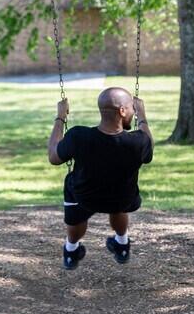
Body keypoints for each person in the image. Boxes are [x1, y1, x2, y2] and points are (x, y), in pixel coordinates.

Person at [48, 87, 154, 269]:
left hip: (84, 198)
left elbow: (53, 156)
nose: (133, 111)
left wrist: (60, 117)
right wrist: (142, 114)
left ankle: (71, 251)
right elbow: (148, 143)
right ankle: (121, 244)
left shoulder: (78, 136)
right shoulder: (138, 142)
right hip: (121, 199)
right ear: (122, 111)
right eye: (131, 108)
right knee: (119, 194)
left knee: (74, 190)